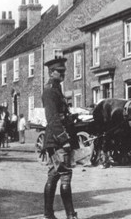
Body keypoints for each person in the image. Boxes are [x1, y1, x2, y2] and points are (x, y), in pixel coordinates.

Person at [41, 57, 79, 219]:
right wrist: (64, 139)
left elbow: (61, 115)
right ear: (51, 72)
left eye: (64, 71)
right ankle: (70, 215)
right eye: (60, 71)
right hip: (56, 139)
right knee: (64, 174)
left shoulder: (56, 89)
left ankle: (49, 214)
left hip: (57, 137)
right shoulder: (49, 91)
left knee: (55, 174)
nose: (63, 74)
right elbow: (53, 119)